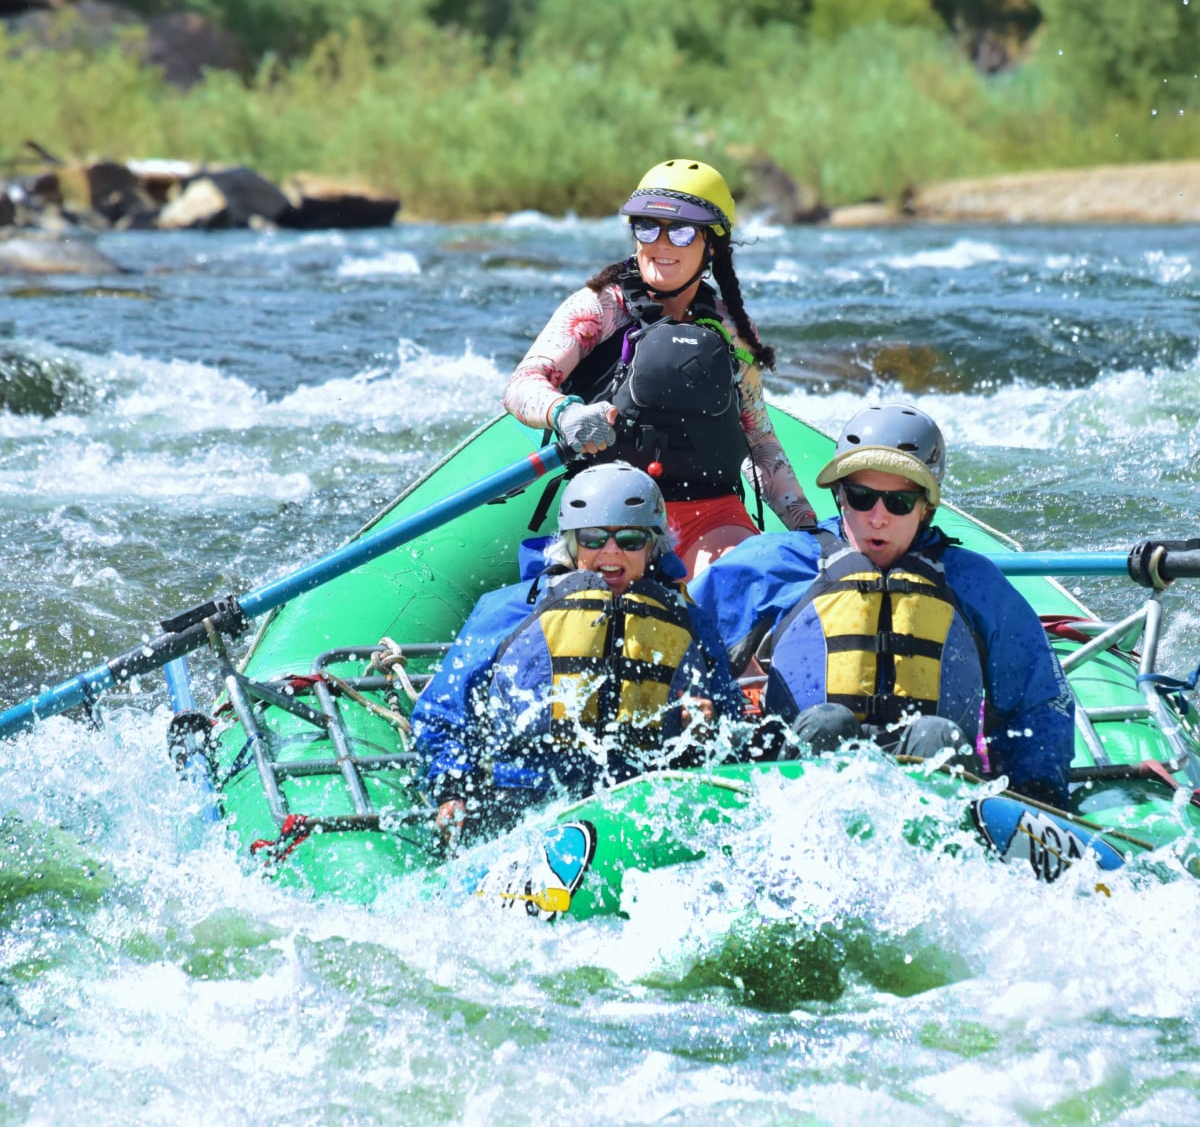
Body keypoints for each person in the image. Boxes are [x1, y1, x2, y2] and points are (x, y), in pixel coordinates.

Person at [688, 403, 1076, 809]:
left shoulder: (974, 583)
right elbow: (684, 647)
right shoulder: (778, 562)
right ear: (840, 495)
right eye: (861, 497)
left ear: (926, 506)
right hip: (804, 786)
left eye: (898, 503)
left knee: (937, 735)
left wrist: (1040, 797)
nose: (877, 518)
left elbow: (1037, 699)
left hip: (931, 780)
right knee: (827, 724)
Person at [503, 157, 816, 578]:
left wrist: (808, 527)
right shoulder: (599, 307)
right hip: (610, 510)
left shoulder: (729, 329)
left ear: (712, 244)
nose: (661, 243)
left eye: (682, 231)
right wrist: (567, 413)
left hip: (710, 513)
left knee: (744, 581)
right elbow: (524, 384)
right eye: (646, 226)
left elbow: (759, 438)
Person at [412, 461, 745, 843]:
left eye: (630, 540)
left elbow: (730, 715)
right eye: (592, 537)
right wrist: (452, 789)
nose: (611, 551)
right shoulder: (509, 610)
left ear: (654, 545)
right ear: (571, 543)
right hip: (523, 806)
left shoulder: (689, 621)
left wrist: (712, 723)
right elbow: (443, 712)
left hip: (642, 806)